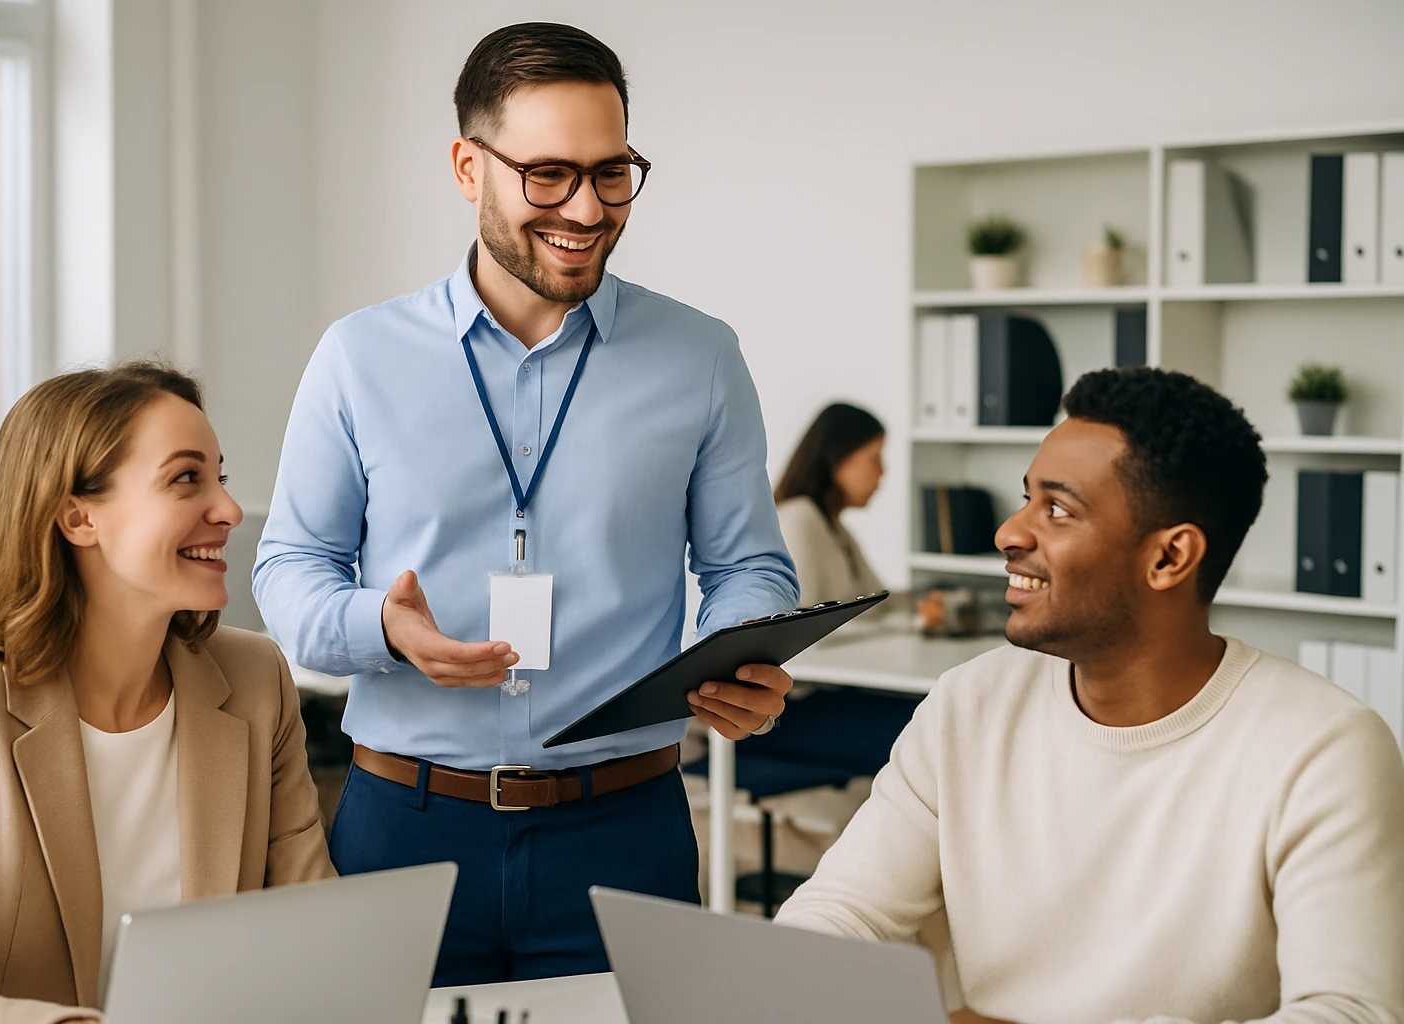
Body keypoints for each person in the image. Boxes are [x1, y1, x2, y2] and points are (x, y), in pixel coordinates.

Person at [253, 22, 798, 985]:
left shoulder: (702, 355)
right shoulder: (357, 356)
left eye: (612, 171)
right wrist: (382, 627)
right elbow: (290, 570)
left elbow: (746, 563)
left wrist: (741, 650)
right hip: (403, 828)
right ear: (469, 167)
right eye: (548, 174)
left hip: (625, 830)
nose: (586, 208)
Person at [776, 367, 1404, 1024]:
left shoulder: (1325, 748)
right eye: (1026, 499)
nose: (1009, 533)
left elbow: (1351, 1014)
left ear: (1169, 558)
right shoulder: (969, 704)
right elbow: (845, 910)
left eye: (1057, 509)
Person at [0, 363, 335, 1024]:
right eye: (185, 478)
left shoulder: (257, 680)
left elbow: (315, 941)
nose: (229, 509)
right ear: (77, 517)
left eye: (219, 477)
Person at [774, 403, 886, 606]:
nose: (882, 472)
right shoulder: (798, 519)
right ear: (838, 457)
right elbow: (800, 623)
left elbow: (878, 602)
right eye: (874, 458)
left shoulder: (833, 526)